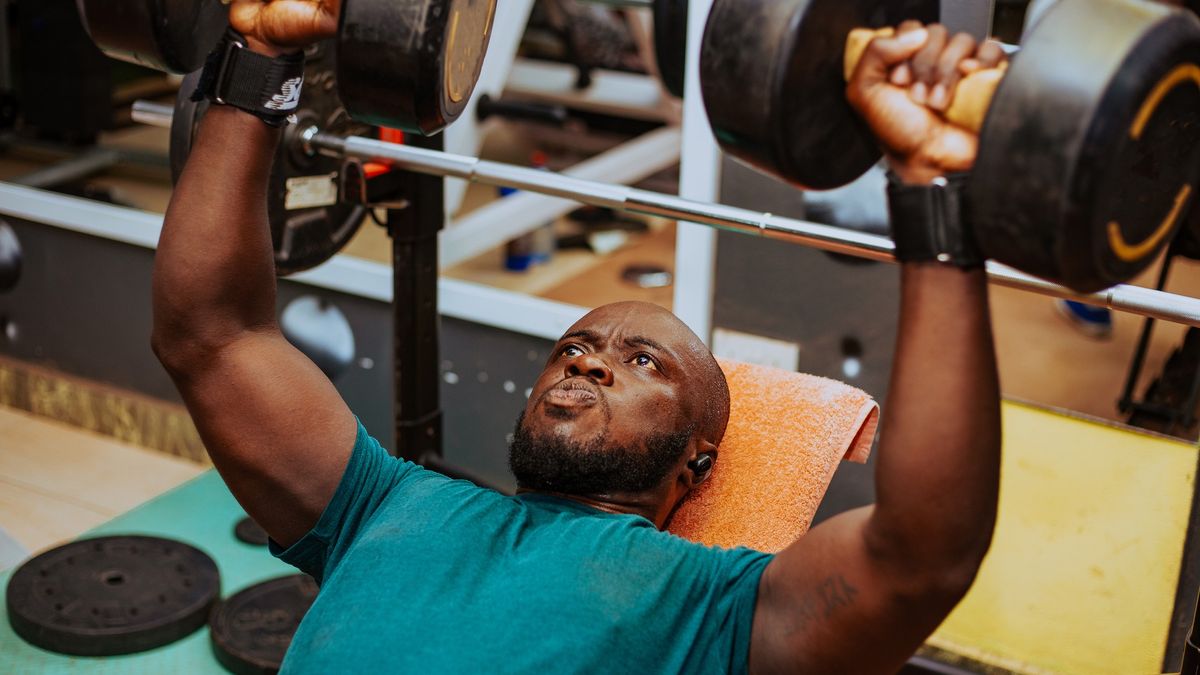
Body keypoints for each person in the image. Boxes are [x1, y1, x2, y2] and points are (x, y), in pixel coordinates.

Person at [150, 2, 1004, 672]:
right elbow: (210, 335)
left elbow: (925, 553)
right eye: (573, 348)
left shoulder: (717, 608)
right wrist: (261, 53)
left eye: (641, 362)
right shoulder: (383, 503)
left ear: (698, 463)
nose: (589, 358)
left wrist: (932, 191)